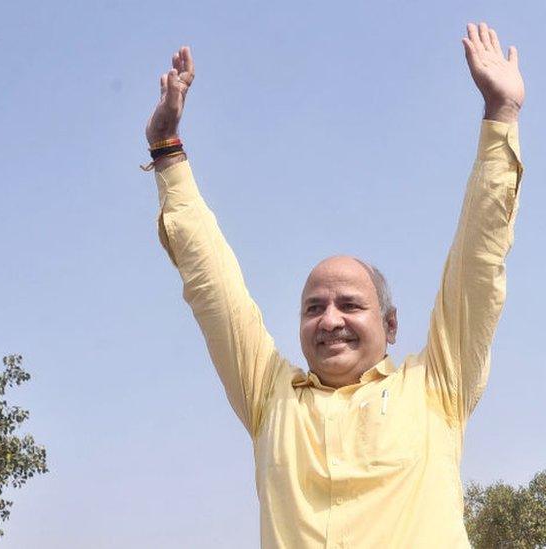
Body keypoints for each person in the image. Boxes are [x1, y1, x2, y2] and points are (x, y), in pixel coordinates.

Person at [145, 21, 525, 548]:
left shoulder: (437, 386)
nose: (330, 321)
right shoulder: (270, 398)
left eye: (350, 304)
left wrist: (501, 117)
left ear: (390, 325)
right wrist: (167, 151)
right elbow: (214, 289)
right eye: (312, 308)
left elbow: (478, 268)